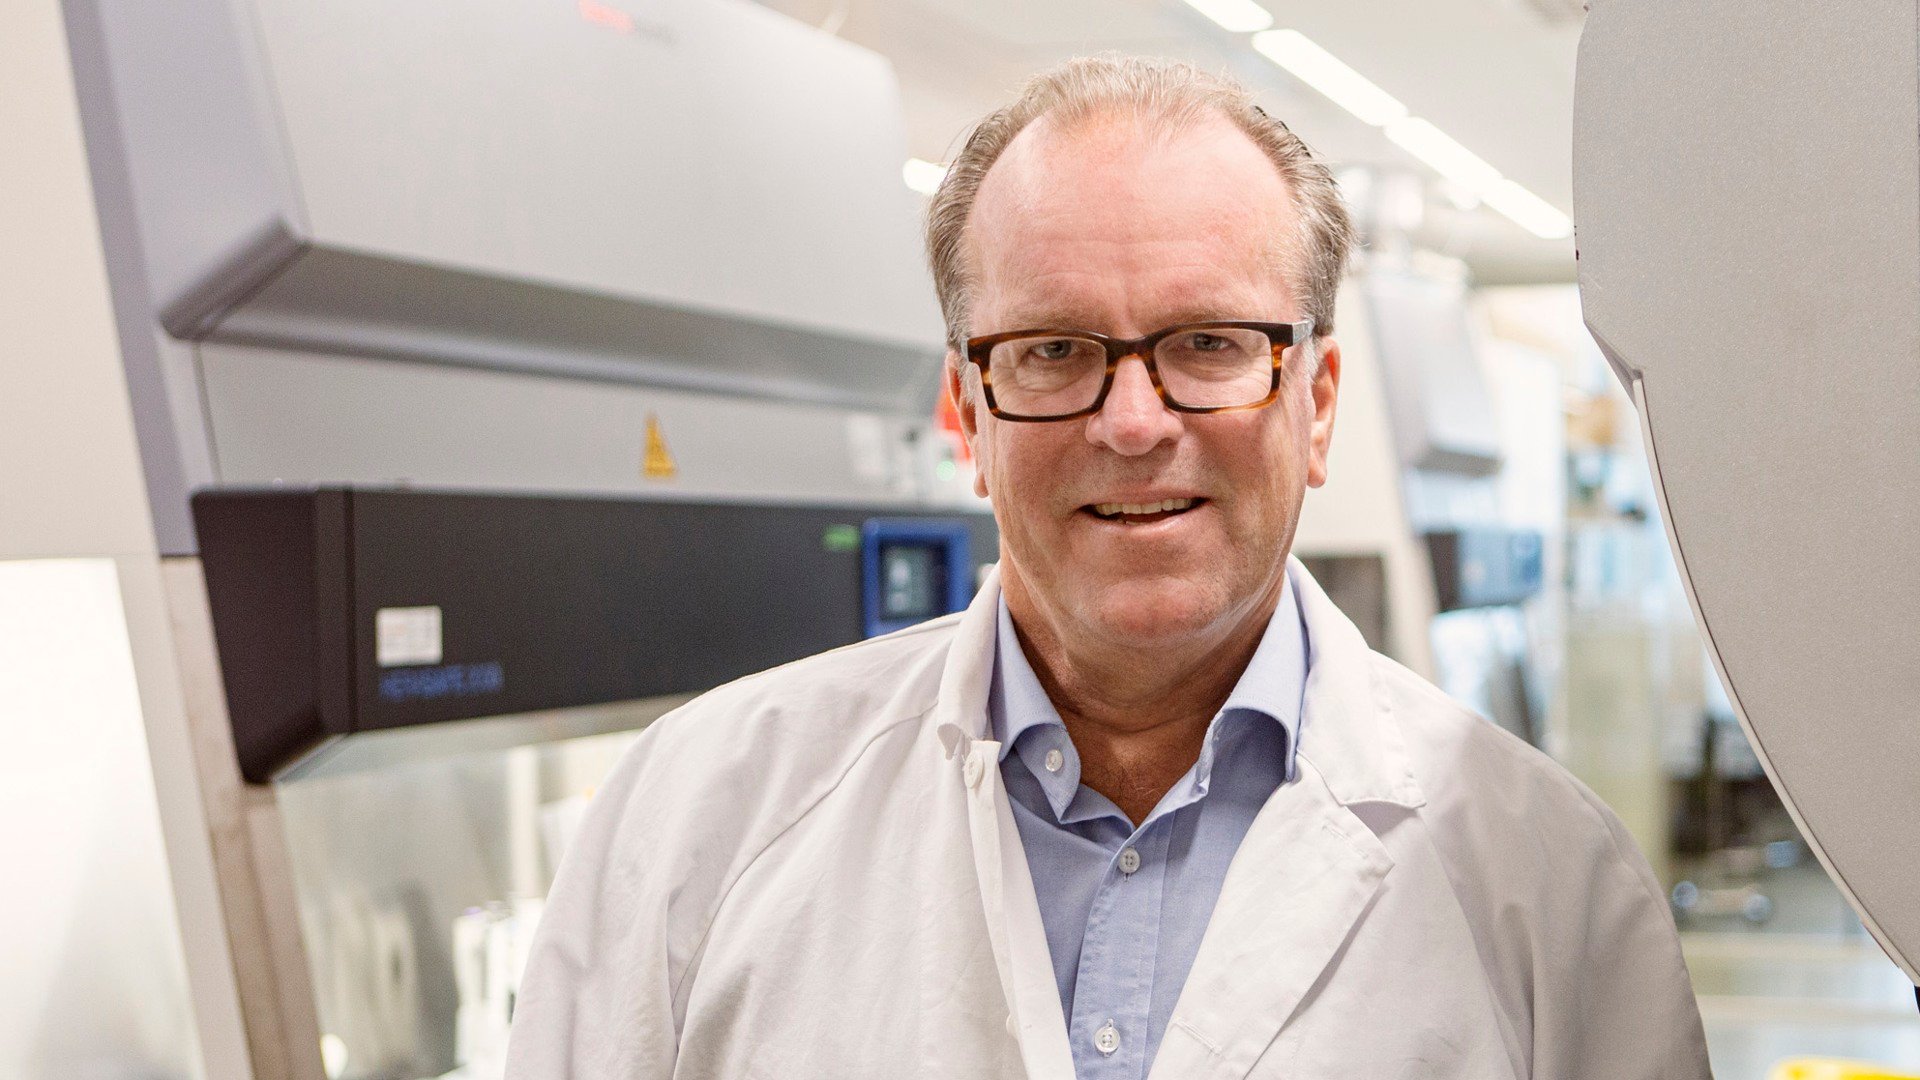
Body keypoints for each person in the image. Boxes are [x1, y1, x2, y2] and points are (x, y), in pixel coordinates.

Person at [505, 56, 1710, 1080]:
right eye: (1053, 350)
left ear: (1320, 406)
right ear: (967, 417)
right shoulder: (697, 826)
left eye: (1209, 343)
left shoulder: (1553, 887)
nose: (1132, 422)